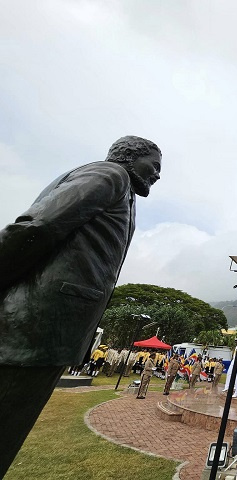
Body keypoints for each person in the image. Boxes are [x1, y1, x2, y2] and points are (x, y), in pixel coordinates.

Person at [0, 136, 161, 477]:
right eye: (154, 165)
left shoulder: (121, 190)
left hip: (49, 332)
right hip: (36, 327)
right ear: (129, 157)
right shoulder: (110, 176)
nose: (158, 175)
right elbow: (37, 227)